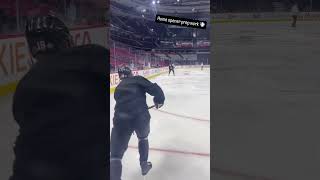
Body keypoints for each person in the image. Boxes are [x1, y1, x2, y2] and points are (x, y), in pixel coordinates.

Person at [10, 15, 108, 180]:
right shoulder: (91, 55)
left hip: (30, 171)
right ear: (66, 41)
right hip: (91, 166)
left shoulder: (23, 86)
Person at [110, 67, 165, 180]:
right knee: (143, 138)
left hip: (121, 119)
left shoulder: (118, 88)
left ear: (120, 76)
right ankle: (144, 164)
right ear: (131, 73)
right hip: (141, 117)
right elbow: (155, 89)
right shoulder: (138, 79)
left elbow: (121, 102)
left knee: (115, 155)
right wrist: (159, 100)